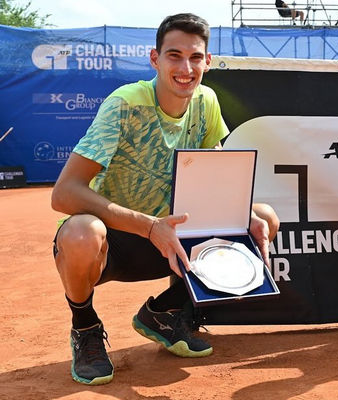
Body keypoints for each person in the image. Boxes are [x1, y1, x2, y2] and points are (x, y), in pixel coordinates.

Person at [51, 13, 280, 385]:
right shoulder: (124, 105)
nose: (185, 68)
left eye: (195, 58)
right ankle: (86, 328)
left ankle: (165, 313)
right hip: (117, 240)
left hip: (174, 242)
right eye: (174, 56)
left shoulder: (207, 101)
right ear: (154, 59)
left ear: (207, 62)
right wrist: (148, 225)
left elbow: (218, 180)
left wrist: (242, 216)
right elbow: (63, 194)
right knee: (80, 234)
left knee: (264, 216)